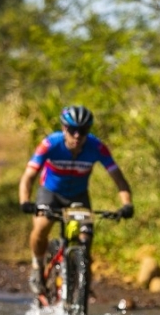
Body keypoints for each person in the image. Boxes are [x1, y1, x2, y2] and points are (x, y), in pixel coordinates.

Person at [18, 105, 134, 294]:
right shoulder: (50, 144)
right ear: (64, 128)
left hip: (78, 196)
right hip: (50, 192)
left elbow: (119, 179)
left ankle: (81, 283)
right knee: (41, 226)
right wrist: (25, 201)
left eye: (83, 130)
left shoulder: (96, 147)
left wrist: (127, 204)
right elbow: (28, 177)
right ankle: (37, 267)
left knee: (85, 238)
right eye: (73, 130)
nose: (77, 135)